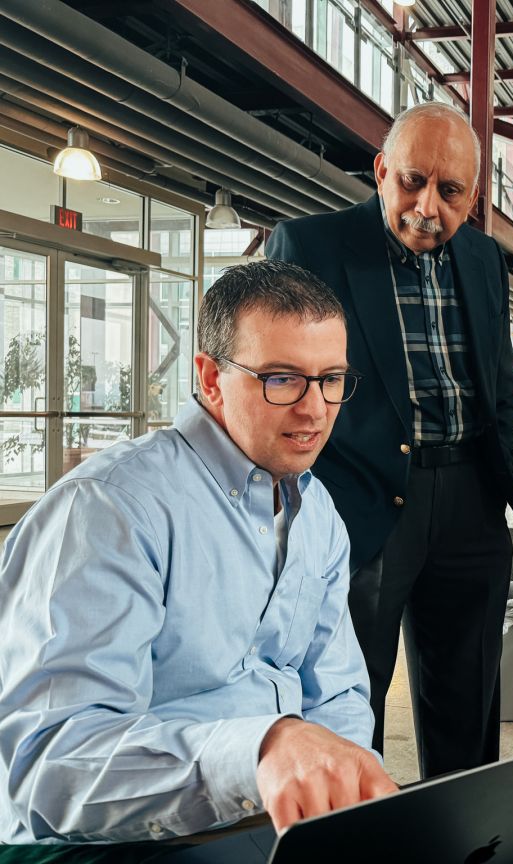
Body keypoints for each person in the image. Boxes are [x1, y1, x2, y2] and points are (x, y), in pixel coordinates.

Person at [0, 260, 397, 843]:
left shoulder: (318, 514)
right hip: (111, 849)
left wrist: (344, 815)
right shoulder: (109, 509)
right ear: (211, 379)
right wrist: (261, 750)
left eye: (330, 378)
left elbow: (337, 695)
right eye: (282, 378)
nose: (315, 410)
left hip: (264, 832)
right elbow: (49, 769)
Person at [266, 102, 513, 779]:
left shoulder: (482, 259)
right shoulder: (310, 247)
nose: (428, 206)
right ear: (381, 170)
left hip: (470, 502)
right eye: (412, 181)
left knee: (468, 697)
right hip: (357, 502)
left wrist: (496, 467)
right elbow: (275, 381)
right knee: (344, 697)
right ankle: (351, 840)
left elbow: (498, 381)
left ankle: (461, 839)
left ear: (473, 198)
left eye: (450, 192)